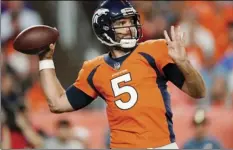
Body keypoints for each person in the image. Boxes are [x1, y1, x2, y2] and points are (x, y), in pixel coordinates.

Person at [37, 0, 206, 148]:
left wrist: (184, 64)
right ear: (105, 28)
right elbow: (57, 103)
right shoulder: (94, 69)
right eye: (121, 23)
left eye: (131, 21)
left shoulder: (154, 50)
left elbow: (199, 92)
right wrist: (45, 59)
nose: (129, 28)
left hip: (161, 145)